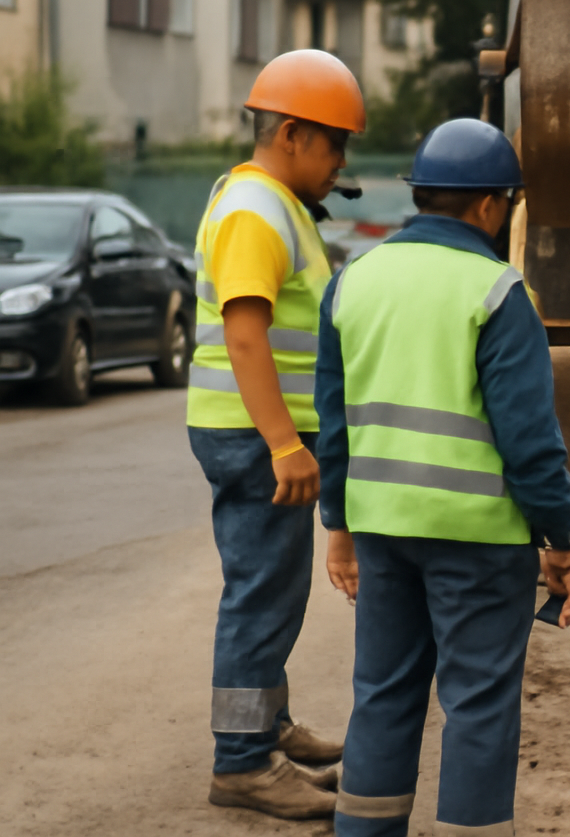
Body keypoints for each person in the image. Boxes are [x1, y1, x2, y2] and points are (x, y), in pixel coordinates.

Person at [315, 117, 570, 837]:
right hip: (478, 539)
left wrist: (337, 528)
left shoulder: (354, 280)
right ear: (493, 205)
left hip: (382, 531)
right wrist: (561, 541)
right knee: (477, 703)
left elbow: (334, 426)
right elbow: (530, 441)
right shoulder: (498, 292)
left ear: (421, 195)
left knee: (382, 696)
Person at [188, 48, 366, 818]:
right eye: (336, 144)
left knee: (274, 590)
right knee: (261, 596)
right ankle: (242, 761)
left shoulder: (275, 203)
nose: (342, 163)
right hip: (259, 436)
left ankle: (268, 729)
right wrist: (285, 443)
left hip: (268, 434)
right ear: (292, 133)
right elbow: (246, 336)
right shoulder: (255, 211)